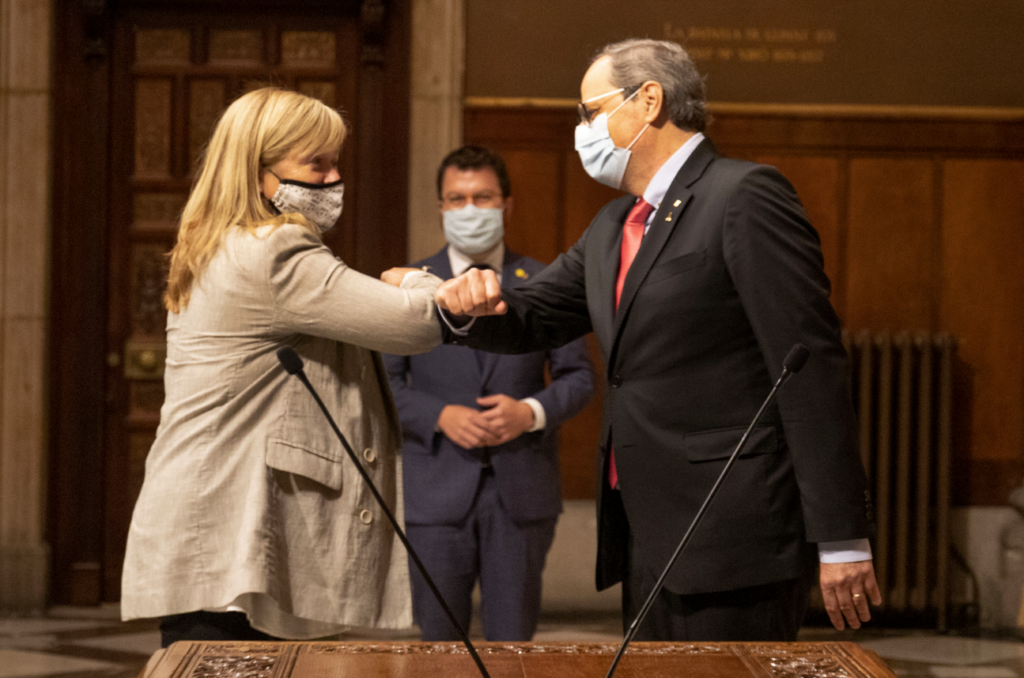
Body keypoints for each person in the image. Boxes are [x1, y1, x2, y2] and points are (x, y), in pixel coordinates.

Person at [431, 39, 881, 641]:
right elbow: (529, 316)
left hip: (732, 532)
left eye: (590, 112)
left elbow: (809, 369)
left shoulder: (743, 195)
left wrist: (842, 538)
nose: (582, 130)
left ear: (647, 101)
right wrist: (436, 298)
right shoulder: (615, 222)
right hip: (648, 528)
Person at [121, 87, 445, 646]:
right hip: (226, 539)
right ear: (257, 172)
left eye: (335, 161)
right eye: (314, 163)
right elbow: (416, 323)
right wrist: (415, 279)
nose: (332, 178)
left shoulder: (214, 242)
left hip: (206, 533)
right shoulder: (273, 251)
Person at [381, 146, 595, 641]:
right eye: (456, 199)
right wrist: (440, 415)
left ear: (507, 205)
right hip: (434, 494)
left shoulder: (546, 281)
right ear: (440, 207)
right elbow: (386, 385)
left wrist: (531, 411)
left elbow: (579, 378)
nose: (469, 209)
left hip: (520, 494)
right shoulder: (409, 286)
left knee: (513, 648)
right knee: (438, 651)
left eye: (483, 197)